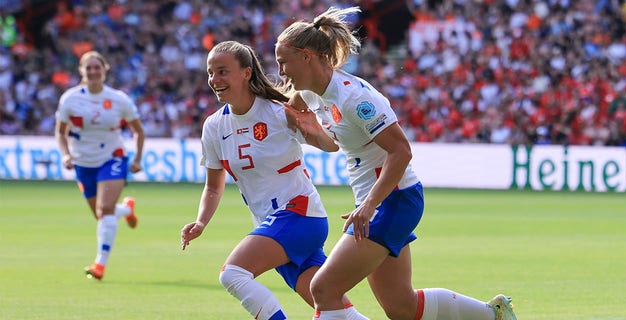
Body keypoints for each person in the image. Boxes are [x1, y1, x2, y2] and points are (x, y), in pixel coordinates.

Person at [275, 7, 518, 320]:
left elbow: (401, 151)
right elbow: (294, 109)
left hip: (393, 200)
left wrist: (369, 206)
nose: (281, 72)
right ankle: (492, 314)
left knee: (323, 289)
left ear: (308, 56)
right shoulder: (311, 94)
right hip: (379, 201)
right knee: (401, 307)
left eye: (284, 62)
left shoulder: (355, 98)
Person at [180, 41, 367, 320]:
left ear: (245, 73)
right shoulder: (214, 126)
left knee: (233, 274)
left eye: (222, 72)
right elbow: (212, 185)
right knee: (336, 311)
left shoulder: (279, 111)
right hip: (274, 224)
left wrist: (311, 127)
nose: (214, 80)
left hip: (299, 215)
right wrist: (201, 221)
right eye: (210, 73)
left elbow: (331, 145)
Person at [55, 50, 145, 281]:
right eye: (89, 68)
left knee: (104, 210)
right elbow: (60, 131)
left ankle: (99, 264)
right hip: (83, 162)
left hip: (112, 157)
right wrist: (65, 155)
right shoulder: (70, 99)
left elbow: (138, 131)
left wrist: (137, 159)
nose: (93, 71)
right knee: (101, 214)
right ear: (82, 71)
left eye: (97, 67)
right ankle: (126, 210)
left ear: (105, 69)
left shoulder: (119, 99)